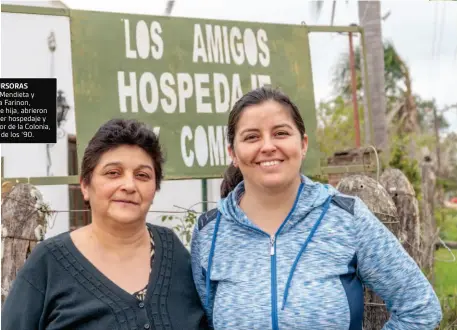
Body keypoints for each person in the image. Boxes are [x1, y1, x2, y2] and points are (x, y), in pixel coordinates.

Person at [191, 87, 443, 329]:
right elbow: (205, 322)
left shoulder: (346, 218)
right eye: (251, 137)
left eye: (280, 133)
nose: (267, 146)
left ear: (303, 144)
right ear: (233, 153)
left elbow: (420, 306)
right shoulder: (209, 233)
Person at [2, 118, 207, 330]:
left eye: (142, 175)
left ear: (154, 189)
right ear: (85, 185)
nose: (129, 185)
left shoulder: (175, 254)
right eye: (113, 173)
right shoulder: (48, 263)